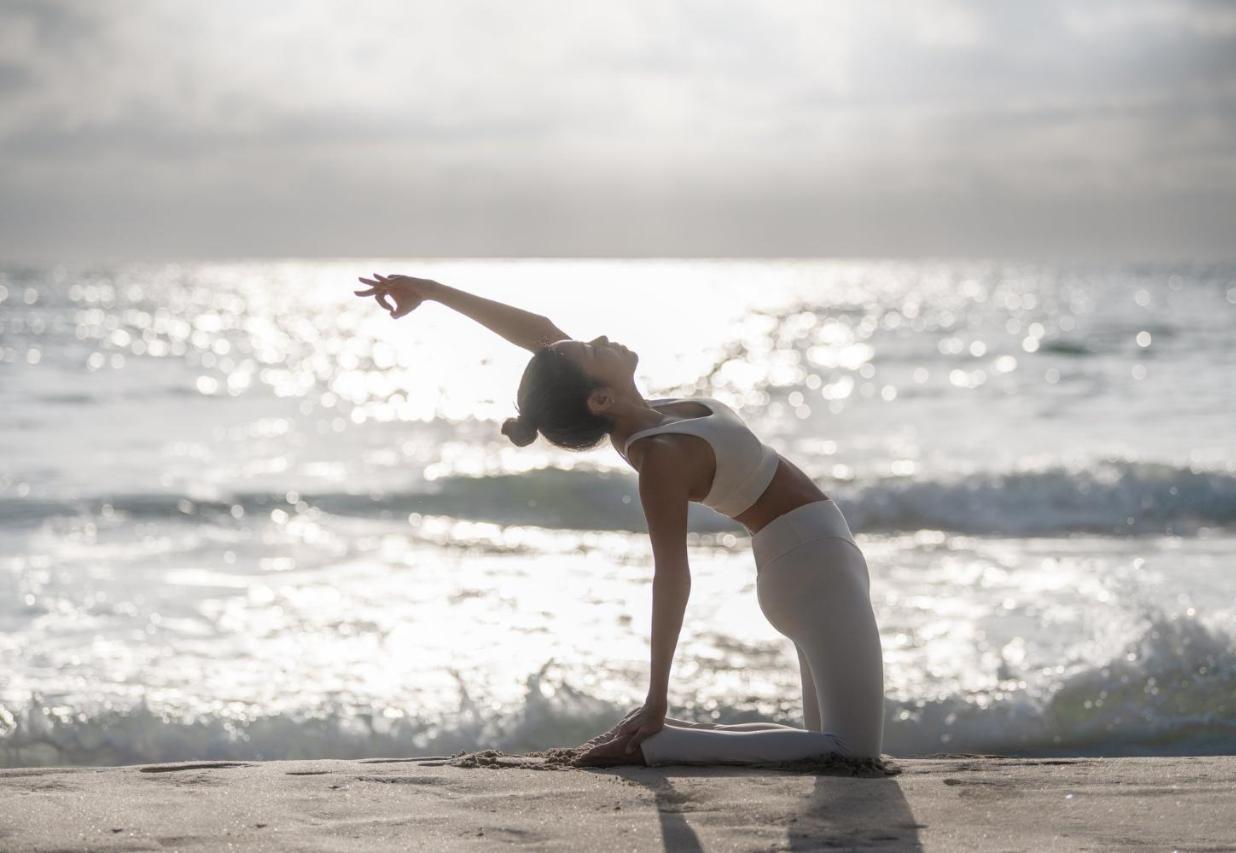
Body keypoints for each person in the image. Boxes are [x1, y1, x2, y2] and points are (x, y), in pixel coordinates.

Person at [353, 273, 885, 767]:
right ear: (601, 398)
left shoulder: (646, 411)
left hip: (808, 564)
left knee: (829, 748)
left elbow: (538, 334)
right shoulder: (659, 457)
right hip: (814, 571)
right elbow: (671, 576)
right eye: (591, 350)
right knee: (853, 753)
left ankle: (667, 735)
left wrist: (430, 290)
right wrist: (656, 697)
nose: (601, 336)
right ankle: (662, 740)